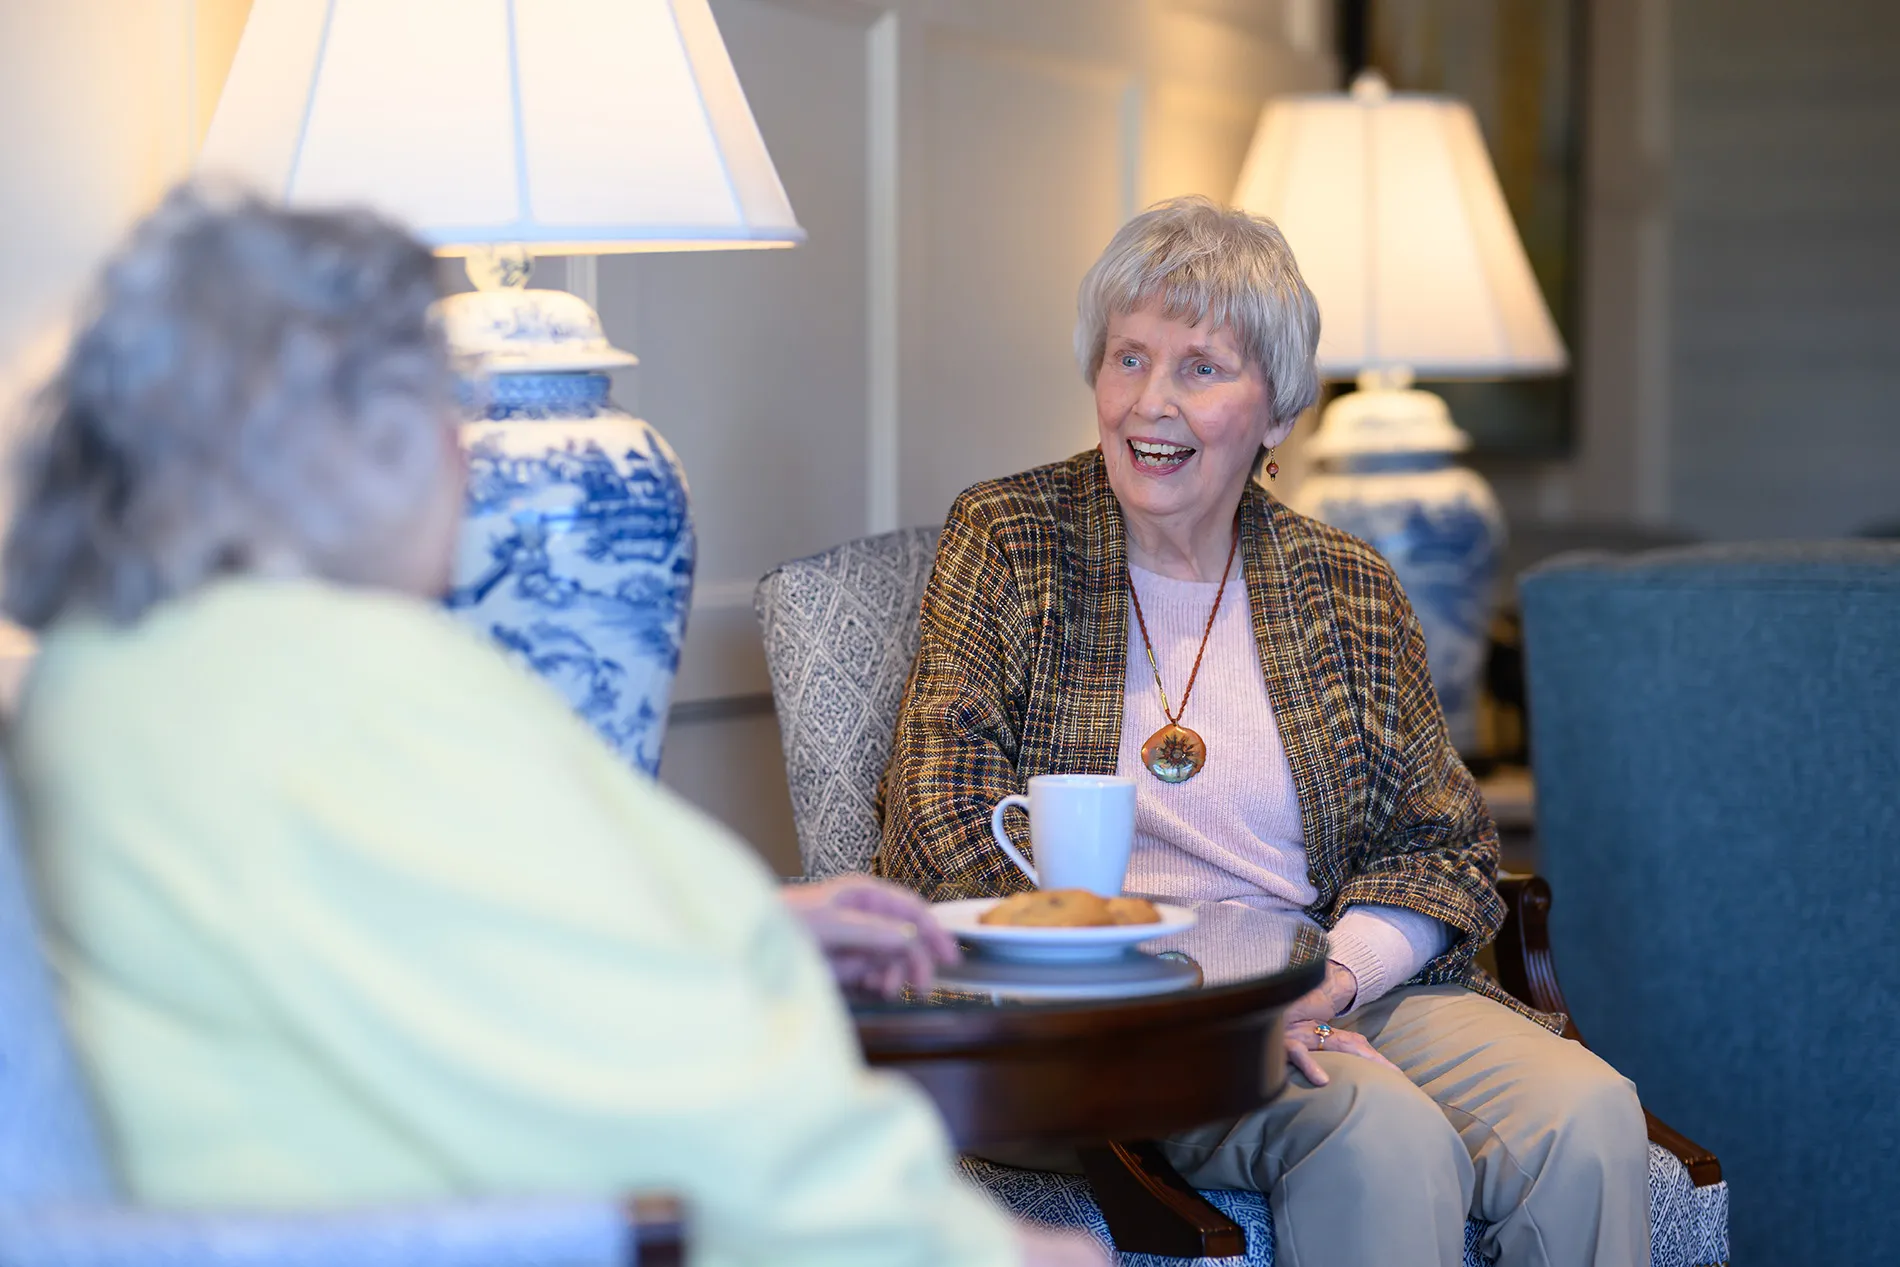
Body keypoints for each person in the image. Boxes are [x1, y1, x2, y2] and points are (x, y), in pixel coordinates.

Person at [2, 185, 1104, 1267]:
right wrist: (979, 1245)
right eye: (445, 407)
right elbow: (675, 1086)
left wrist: (749, 925)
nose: (462, 451)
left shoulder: (107, 680)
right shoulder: (357, 686)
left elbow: (414, 934)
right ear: (364, 444)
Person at [874, 196, 1650, 1267]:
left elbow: (1443, 846)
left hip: (1326, 978)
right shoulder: (1011, 540)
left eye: (1200, 367)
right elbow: (936, 814)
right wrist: (1174, 993)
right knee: (1377, 1132)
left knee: (1589, 1116)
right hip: (1114, 1015)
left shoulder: (1343, 584)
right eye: (1127, 358)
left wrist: (1326, 981)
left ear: (1278, 410)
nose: (1151, 402)